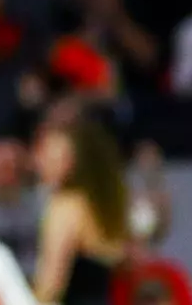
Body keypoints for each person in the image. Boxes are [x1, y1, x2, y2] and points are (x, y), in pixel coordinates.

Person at [30, 119, 129, 305]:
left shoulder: (65, 207)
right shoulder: (98, 207)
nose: (40, 163)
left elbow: (50, 286)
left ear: (72, 163)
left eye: (52, 158)